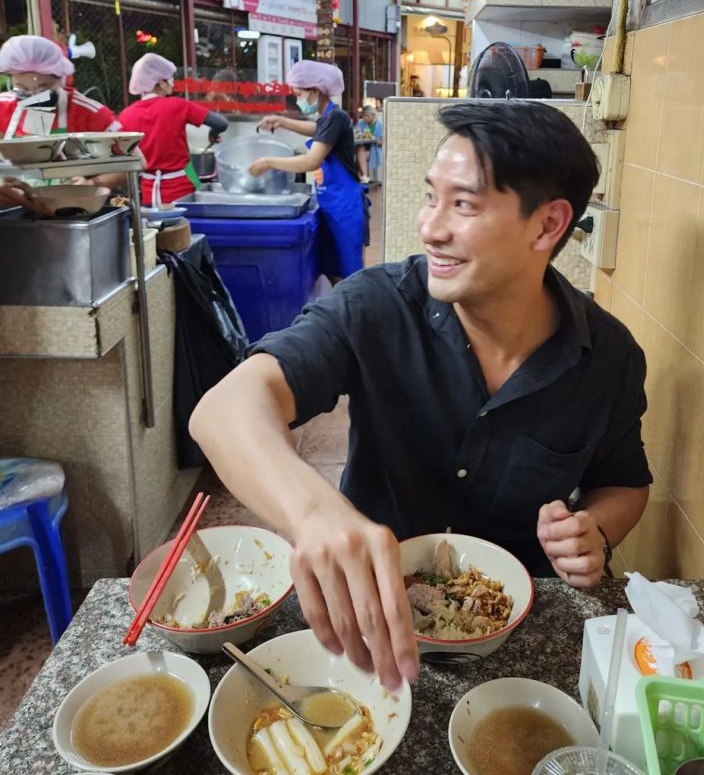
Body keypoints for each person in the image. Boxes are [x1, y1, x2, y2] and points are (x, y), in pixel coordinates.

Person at [191, 99, 652, 692]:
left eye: (463, 204)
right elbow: (224, 410)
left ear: (548, 225)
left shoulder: (609, 357)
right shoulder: (378, 306)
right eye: (431, 197)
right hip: (370, 621)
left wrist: (595, 529)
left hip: (516, 627)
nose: (430, 226)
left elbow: (625, 483)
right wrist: (315, 513)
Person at [252, 60, 364, 283]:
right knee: (334, 271)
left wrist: (269, 162)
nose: (297, 100)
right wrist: (282, 121)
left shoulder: (337, 117)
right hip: (331, 202)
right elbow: (316, 129)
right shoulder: (328, 118)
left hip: (343, 206)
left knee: (348, 276)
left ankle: (356, 317)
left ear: (315, 90)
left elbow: (312, 161)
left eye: (299, 94)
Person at [0, 34, 121, 212]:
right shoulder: (3, 107)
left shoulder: (88, 112)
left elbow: (136, 160)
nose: (35, 97)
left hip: (70, 210)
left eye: (44, 87)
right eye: (23, 89)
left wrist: (92, 182)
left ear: (60, 78)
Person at [118, 53, 228, 207]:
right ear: (161, 83)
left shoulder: (126, 115)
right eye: (170, 79)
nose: (173, 83)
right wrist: (212, 134)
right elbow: (221, 123)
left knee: (155, 230)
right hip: (181, 193)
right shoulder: (178, 105)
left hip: (148, 194)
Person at [354, 104, 383, 185]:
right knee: (359, 149)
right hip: (361, 147)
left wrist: (374, 139)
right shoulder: (361, 123)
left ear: (373, 115)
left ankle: (363, 176)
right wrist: (357, 131)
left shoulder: (379, 125)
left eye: (367, 116)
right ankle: (362, 176)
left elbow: (382, 142)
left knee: (360, 152)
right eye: (364, 116)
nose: (365, 118)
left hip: (374, 149)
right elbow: (355, 133)